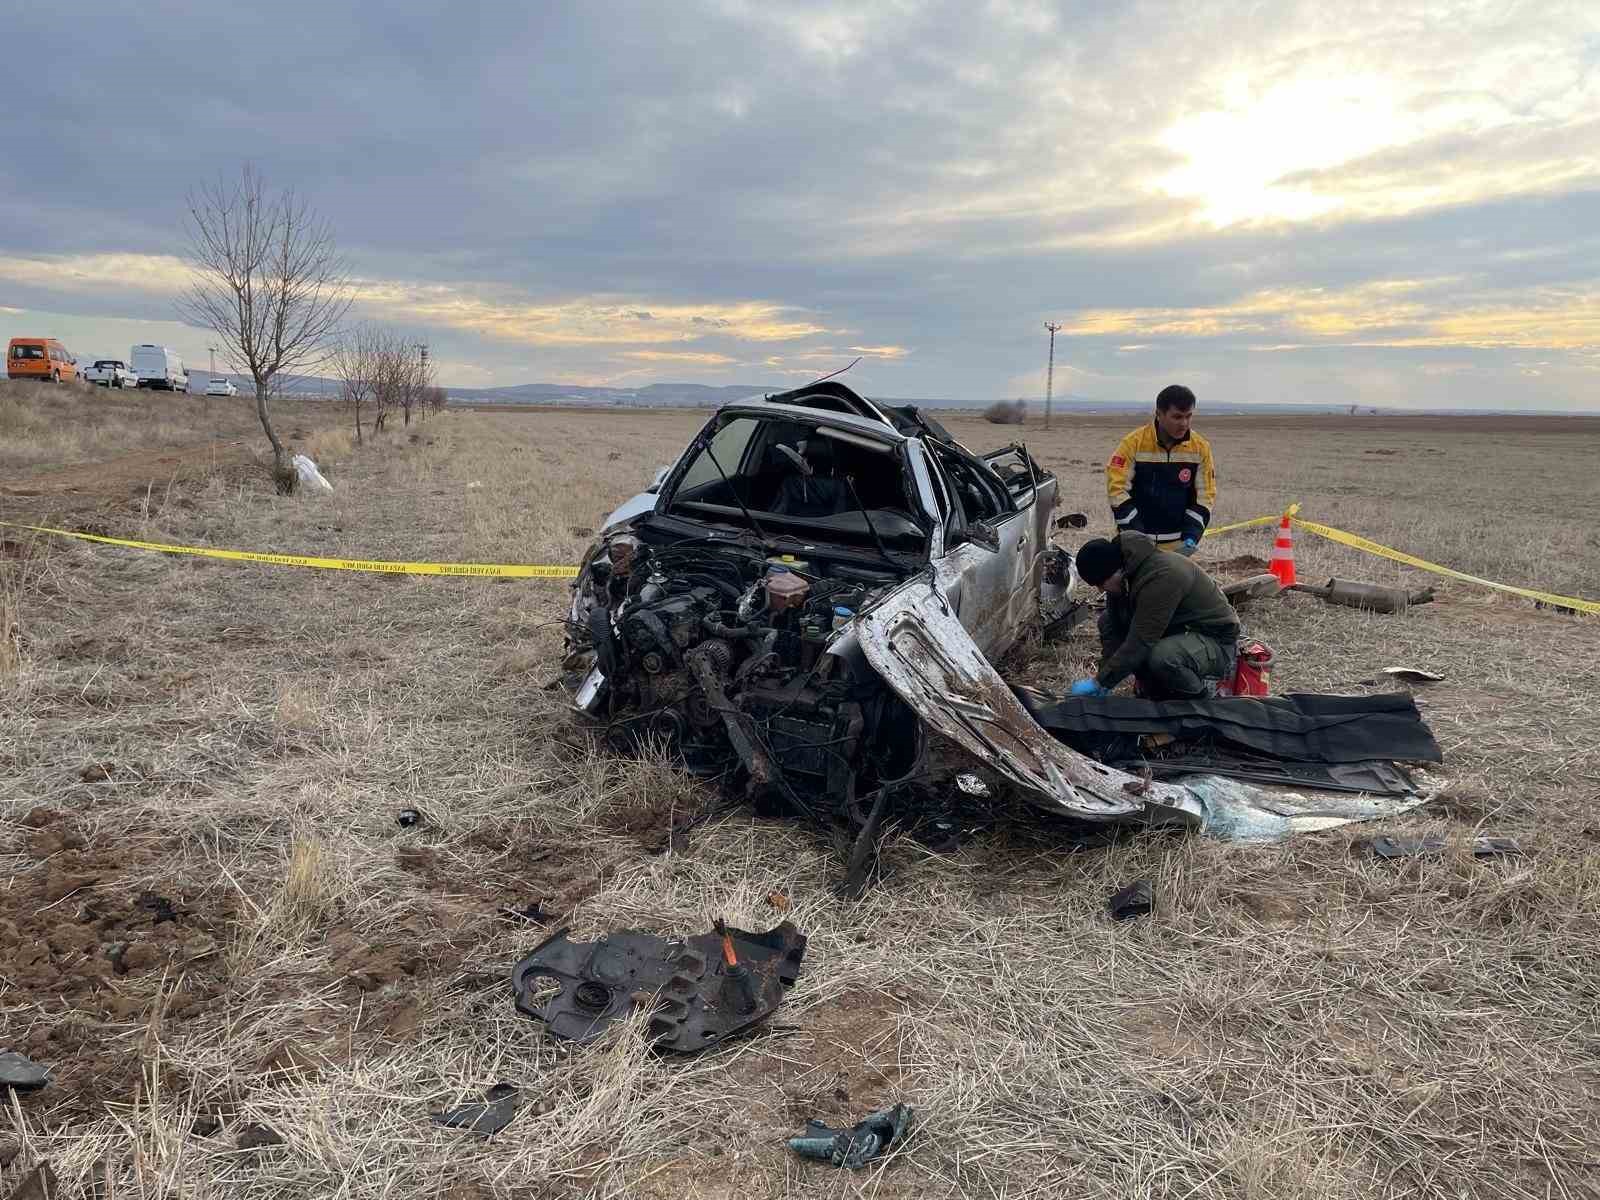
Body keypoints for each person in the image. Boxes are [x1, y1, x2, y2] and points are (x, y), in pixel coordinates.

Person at [1067, 532, 1239, 699]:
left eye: (1100, 583)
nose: (1100, 590)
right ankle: (1156, 690)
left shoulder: (1163, 576)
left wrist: (1100, 683)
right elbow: (1115, 629)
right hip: (1180, 632)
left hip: (1216, 641)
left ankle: (1200, 700)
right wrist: (1104, 678)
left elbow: (1141, 641)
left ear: (1116, 572)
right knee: (1107, 622)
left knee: (1162, 656)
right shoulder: (1123, 576)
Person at [1105, 384, 1216, 556]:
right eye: (1177, 417)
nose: (1184, 424)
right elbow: (1117, 491)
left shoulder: (1200, 448)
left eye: (1189, 416)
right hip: (1135, 544)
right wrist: (1138, 537)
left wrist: (1192, 535)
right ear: (1158, 414)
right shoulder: (1132, 444)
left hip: (1178, 548)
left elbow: (1205, 495)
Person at [770, 438, 850, 518]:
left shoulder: (790, 482)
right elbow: (839, 516)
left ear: (808, 462)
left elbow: (778, 512)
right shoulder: (839, 486)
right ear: (832, 465)